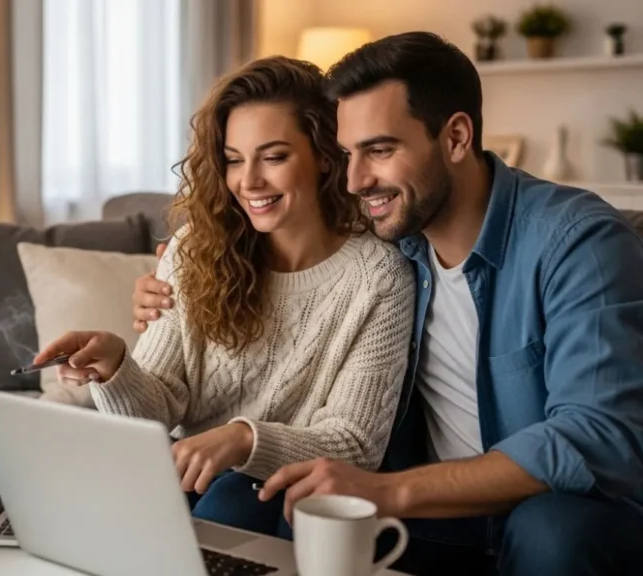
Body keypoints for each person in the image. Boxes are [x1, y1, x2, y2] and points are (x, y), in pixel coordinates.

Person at [132, 32, 643, 576]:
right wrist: (180, 275)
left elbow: (595, 437)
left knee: (551, 532)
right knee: (288, 504)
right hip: (446, 516)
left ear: (456, 137)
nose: (355, 180)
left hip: (570, 510)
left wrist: (388, 492)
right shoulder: (398, 243)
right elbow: (297, 243)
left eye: (379, 150)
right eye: (348, 154)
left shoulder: (578, 243)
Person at [33, 56, 415, 538]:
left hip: (290, 499)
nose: (248, 181)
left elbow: (356, 444)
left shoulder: (380, 278)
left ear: (323, 155)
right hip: (187, 480)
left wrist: (242, 440)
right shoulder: (197, 248)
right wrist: (114, 366)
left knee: (234, 496)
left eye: (273, 157)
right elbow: (157, 411)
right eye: (234, 159)